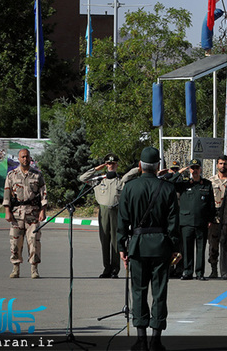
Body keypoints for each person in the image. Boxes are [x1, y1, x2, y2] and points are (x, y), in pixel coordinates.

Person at [117, 146, 179, 351]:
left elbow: (122, 220)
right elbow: (173, 222)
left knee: (138, 292)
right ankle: (156, 340)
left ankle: (141, 339)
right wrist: (175, 246)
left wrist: (121, 245)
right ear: (158, 166)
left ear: (139, 166)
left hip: (137, 246)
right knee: (159, 293)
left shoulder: (129, 187)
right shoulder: (168, 188)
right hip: (161, 247)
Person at [2, 148, 47, 279]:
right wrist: (7, 211)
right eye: (22, 157)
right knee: (15, 243)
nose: (25, 159)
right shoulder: (12, 175)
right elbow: (7, 193)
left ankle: (34, 269)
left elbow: (43, 193)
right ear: (19, 158)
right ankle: (15, 268)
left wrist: (43, 210)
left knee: (34, 242)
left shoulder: (37, 175)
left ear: (30, 157)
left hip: (33, 213)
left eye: (27, 156)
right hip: (16, 214)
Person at [78, 153, 124, 278]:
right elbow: (82, 178)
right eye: (108, 164)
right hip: (103, 212)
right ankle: (106, 268)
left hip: (116, 211)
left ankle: (115, 269)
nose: (111, 166)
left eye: (113, 164)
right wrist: (98, 169)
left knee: (115, 241)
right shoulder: (98, 180)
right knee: (104, 241)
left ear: (117, 165)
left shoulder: (120, 181)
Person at [175, 159, 214, 281]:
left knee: (201, 248)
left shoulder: (206, 184)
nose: (195, 170)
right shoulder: (184, 184)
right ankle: (187, 271)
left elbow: (211, 204)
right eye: (192, 168)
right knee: (187, 248)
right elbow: (169, 181)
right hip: (186, 221)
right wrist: (179, 172)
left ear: (200, 169)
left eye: (197, 168)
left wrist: (210, 219)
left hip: (201, 221)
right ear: (190, 169)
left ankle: (199, 272)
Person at [208, 155, 227, 279]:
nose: (223, 166)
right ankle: (213, 270)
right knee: (213, 245)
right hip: (214, 217)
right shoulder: (210, 181)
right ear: (217, 165)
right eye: (221, 163)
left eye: (225, 164)